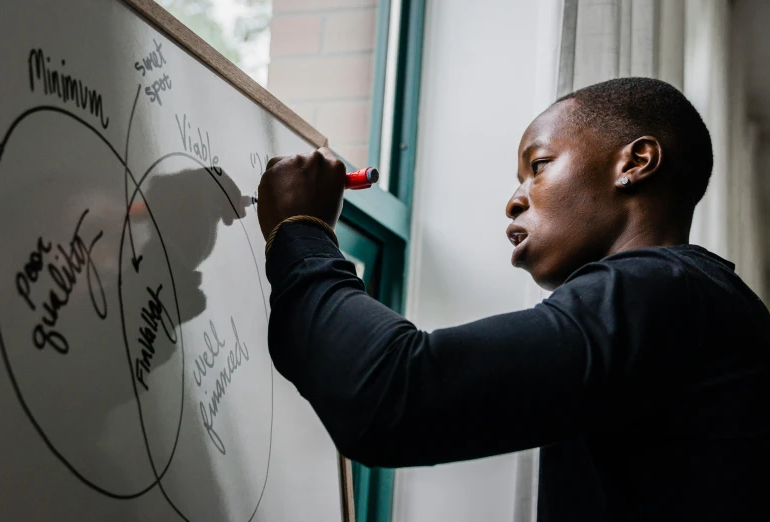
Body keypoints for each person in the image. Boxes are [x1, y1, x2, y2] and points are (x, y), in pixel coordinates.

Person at [256, 77, 770, 521]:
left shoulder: (657, 290)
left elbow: (391, 396)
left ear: (635, 162)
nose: (515, 199)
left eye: (539, 165)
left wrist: (301, 230)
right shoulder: (699, 303)